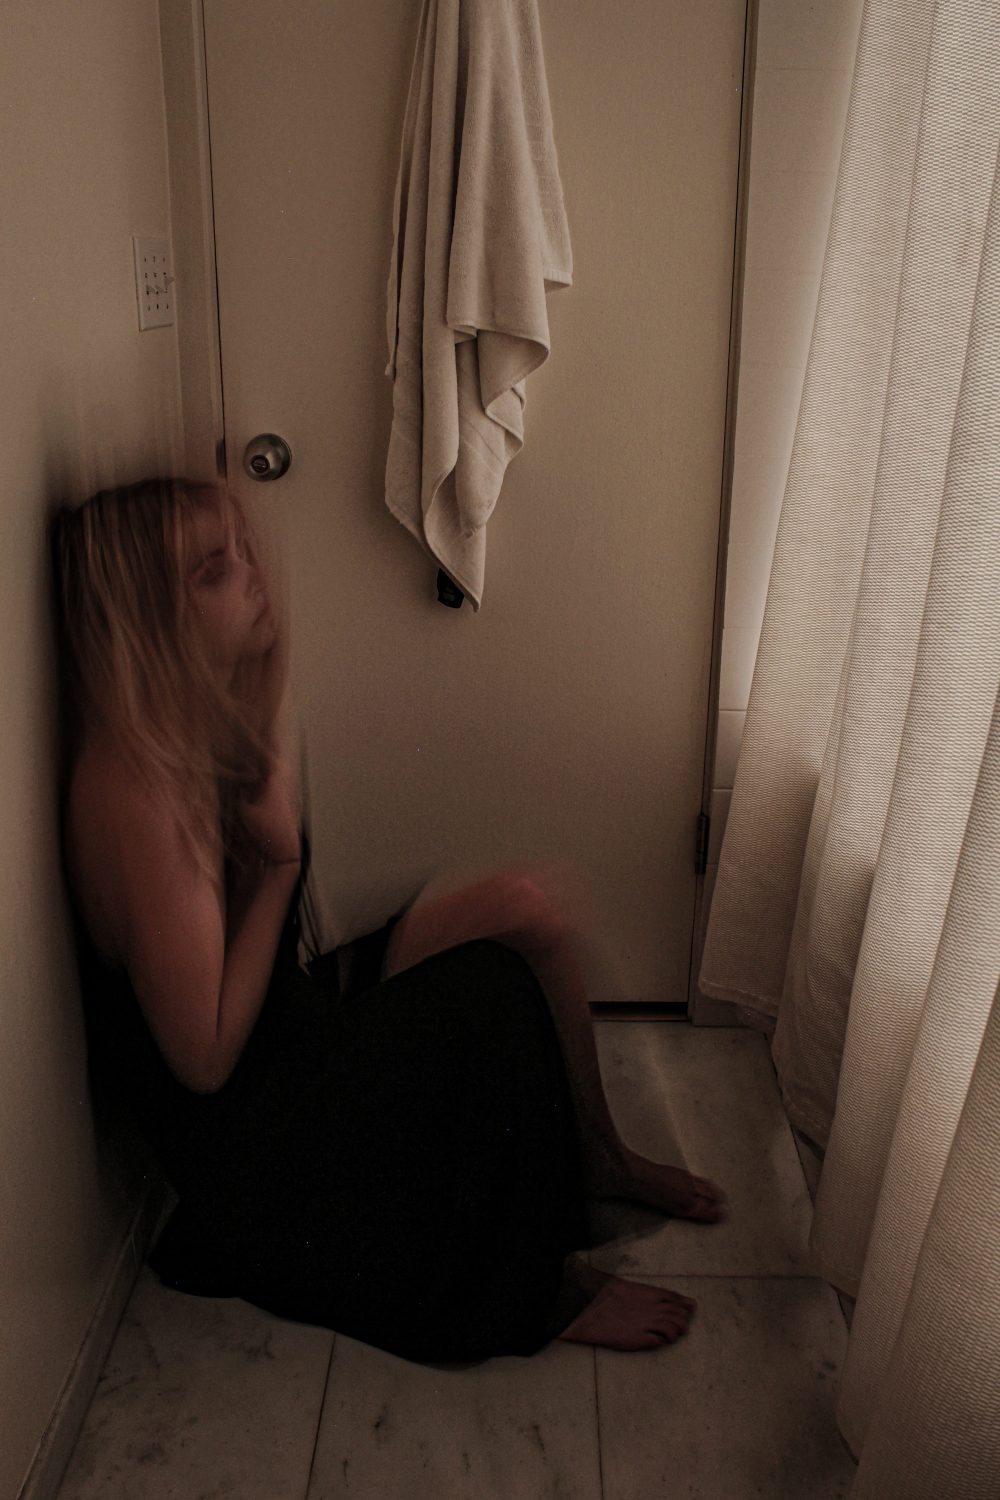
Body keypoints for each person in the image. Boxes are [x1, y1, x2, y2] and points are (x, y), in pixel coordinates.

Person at [51, 475, 727, 1364]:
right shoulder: (132, 793)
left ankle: (599, 1156)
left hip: (280, 1025)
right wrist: (282, 859)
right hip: (251, 1144)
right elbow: (206, 1061)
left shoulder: (188, 723)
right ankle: (536, 1294)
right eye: (216, 569)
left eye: (244, 550)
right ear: (147, 621)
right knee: (485, 996)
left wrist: (265, 709)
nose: (255, 576)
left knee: (525, 912)